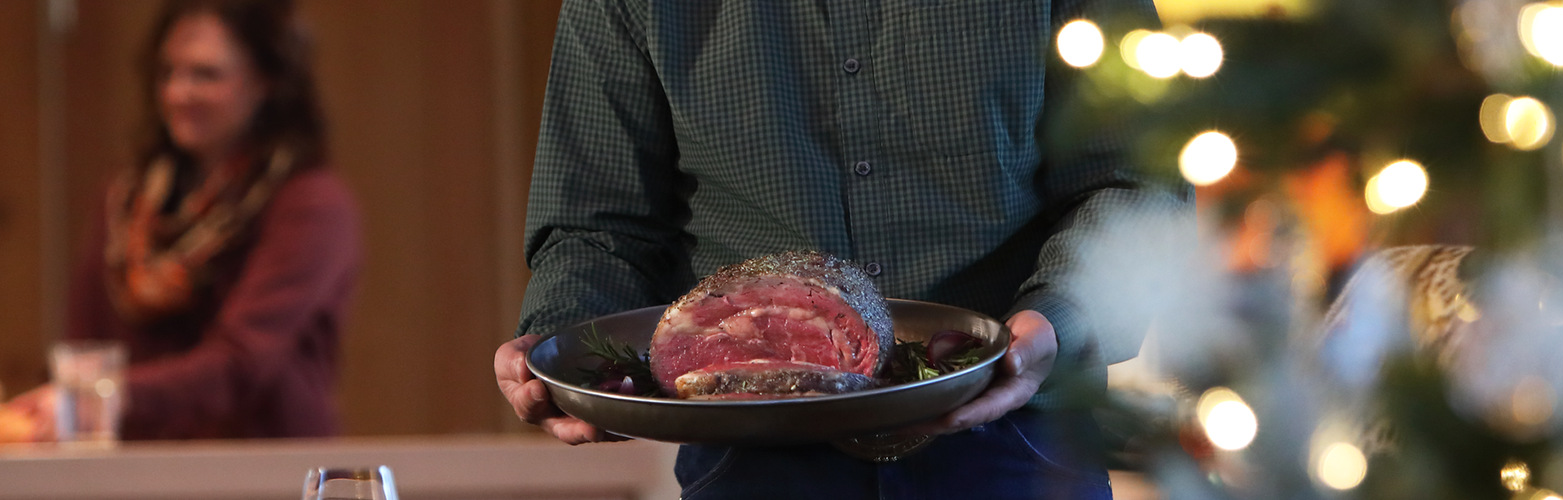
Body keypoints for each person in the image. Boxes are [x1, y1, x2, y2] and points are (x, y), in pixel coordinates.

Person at [493, 0, 1191, 498]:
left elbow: (1138, 185)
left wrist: (1056, 320)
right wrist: (559, 342)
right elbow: (600, 229)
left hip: (1021, 443)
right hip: (751, 464)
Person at [19, 0, 359, 440]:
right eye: (167, 73)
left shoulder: (311, 203)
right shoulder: (126, 203)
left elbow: (241, 364)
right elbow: (85, 350)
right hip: (141, 473)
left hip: (260, 469)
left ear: (267, 81)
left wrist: (107, 395)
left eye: (205, 74)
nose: (178, 93)